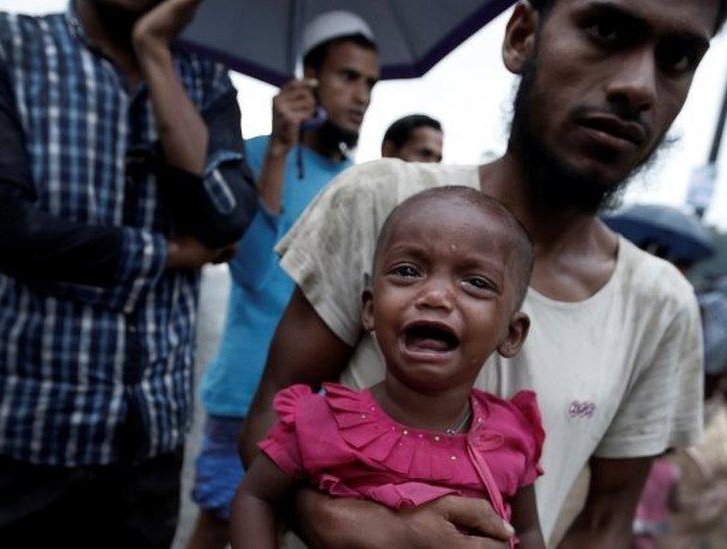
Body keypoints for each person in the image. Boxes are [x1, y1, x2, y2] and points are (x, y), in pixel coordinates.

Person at [239, 0, 727, 546]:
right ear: (522, 36)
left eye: (678, 57)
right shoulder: (384, 201)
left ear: (512, 330)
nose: (638, 86)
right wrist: (351, 524)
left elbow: (606, 522)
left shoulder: (660, 306)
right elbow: (275, 410)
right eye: (607, 30)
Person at [0, 0, 256, 547]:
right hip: (24, 439)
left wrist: (155, 53)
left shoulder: (205, 78)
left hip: (150, 446)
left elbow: (224, 217)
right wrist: (163, 254)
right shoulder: (1, 43)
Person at [231, 187, 546, 549]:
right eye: (408, 271)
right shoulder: (320, 422)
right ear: (369, 310)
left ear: (511, 333)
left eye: (476, 283)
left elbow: (529, 532)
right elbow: (255, 498)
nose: (435, 296)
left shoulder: (511, 434)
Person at [188, 10, 380, 548]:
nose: (362, 94)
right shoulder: (253, 153)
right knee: (221, 520)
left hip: (320, 405)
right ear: (309, 79)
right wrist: (276, 148)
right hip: (245, 392)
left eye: (370, 82)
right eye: (348, 77)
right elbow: (251, 272)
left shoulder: (356, 183)